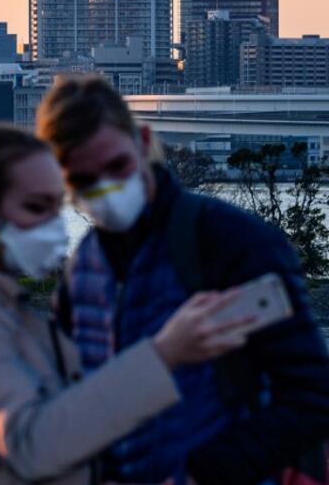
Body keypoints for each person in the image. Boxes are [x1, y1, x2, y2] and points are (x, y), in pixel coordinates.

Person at [0, 123, 249, 485]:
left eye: (57, 208)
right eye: (35, 207)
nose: (54, 227)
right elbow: (32, 445)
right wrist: (164, 354)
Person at [37, 74, 329, 485]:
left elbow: (311, 394)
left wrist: (210, 470)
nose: (106, 188)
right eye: (85, 180)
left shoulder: (228, 240)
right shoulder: (82, 270)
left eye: (117, 166)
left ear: (142, 142)